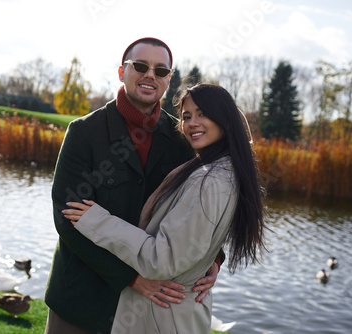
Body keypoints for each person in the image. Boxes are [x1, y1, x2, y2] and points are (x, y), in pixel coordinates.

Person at [44, 38, 224, 334]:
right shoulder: (83, 132)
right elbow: (67, 220)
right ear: (121, 72)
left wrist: (214, 257)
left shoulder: (181, 141)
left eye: (161, 70)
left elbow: (203, 208)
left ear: (168, 81)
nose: (150, 74)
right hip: (80, 300)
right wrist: (132, 278)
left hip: (145, 310)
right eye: (140, 66)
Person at [64, 83, 268, 333]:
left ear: (224, 118)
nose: (192, 123)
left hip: (163, 314)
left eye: (203, 113)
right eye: (186, 116)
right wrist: (209, 259)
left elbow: (163, 258)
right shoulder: (220, 168)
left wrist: (97, 221)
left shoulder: (209, 179)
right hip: (170, 310)